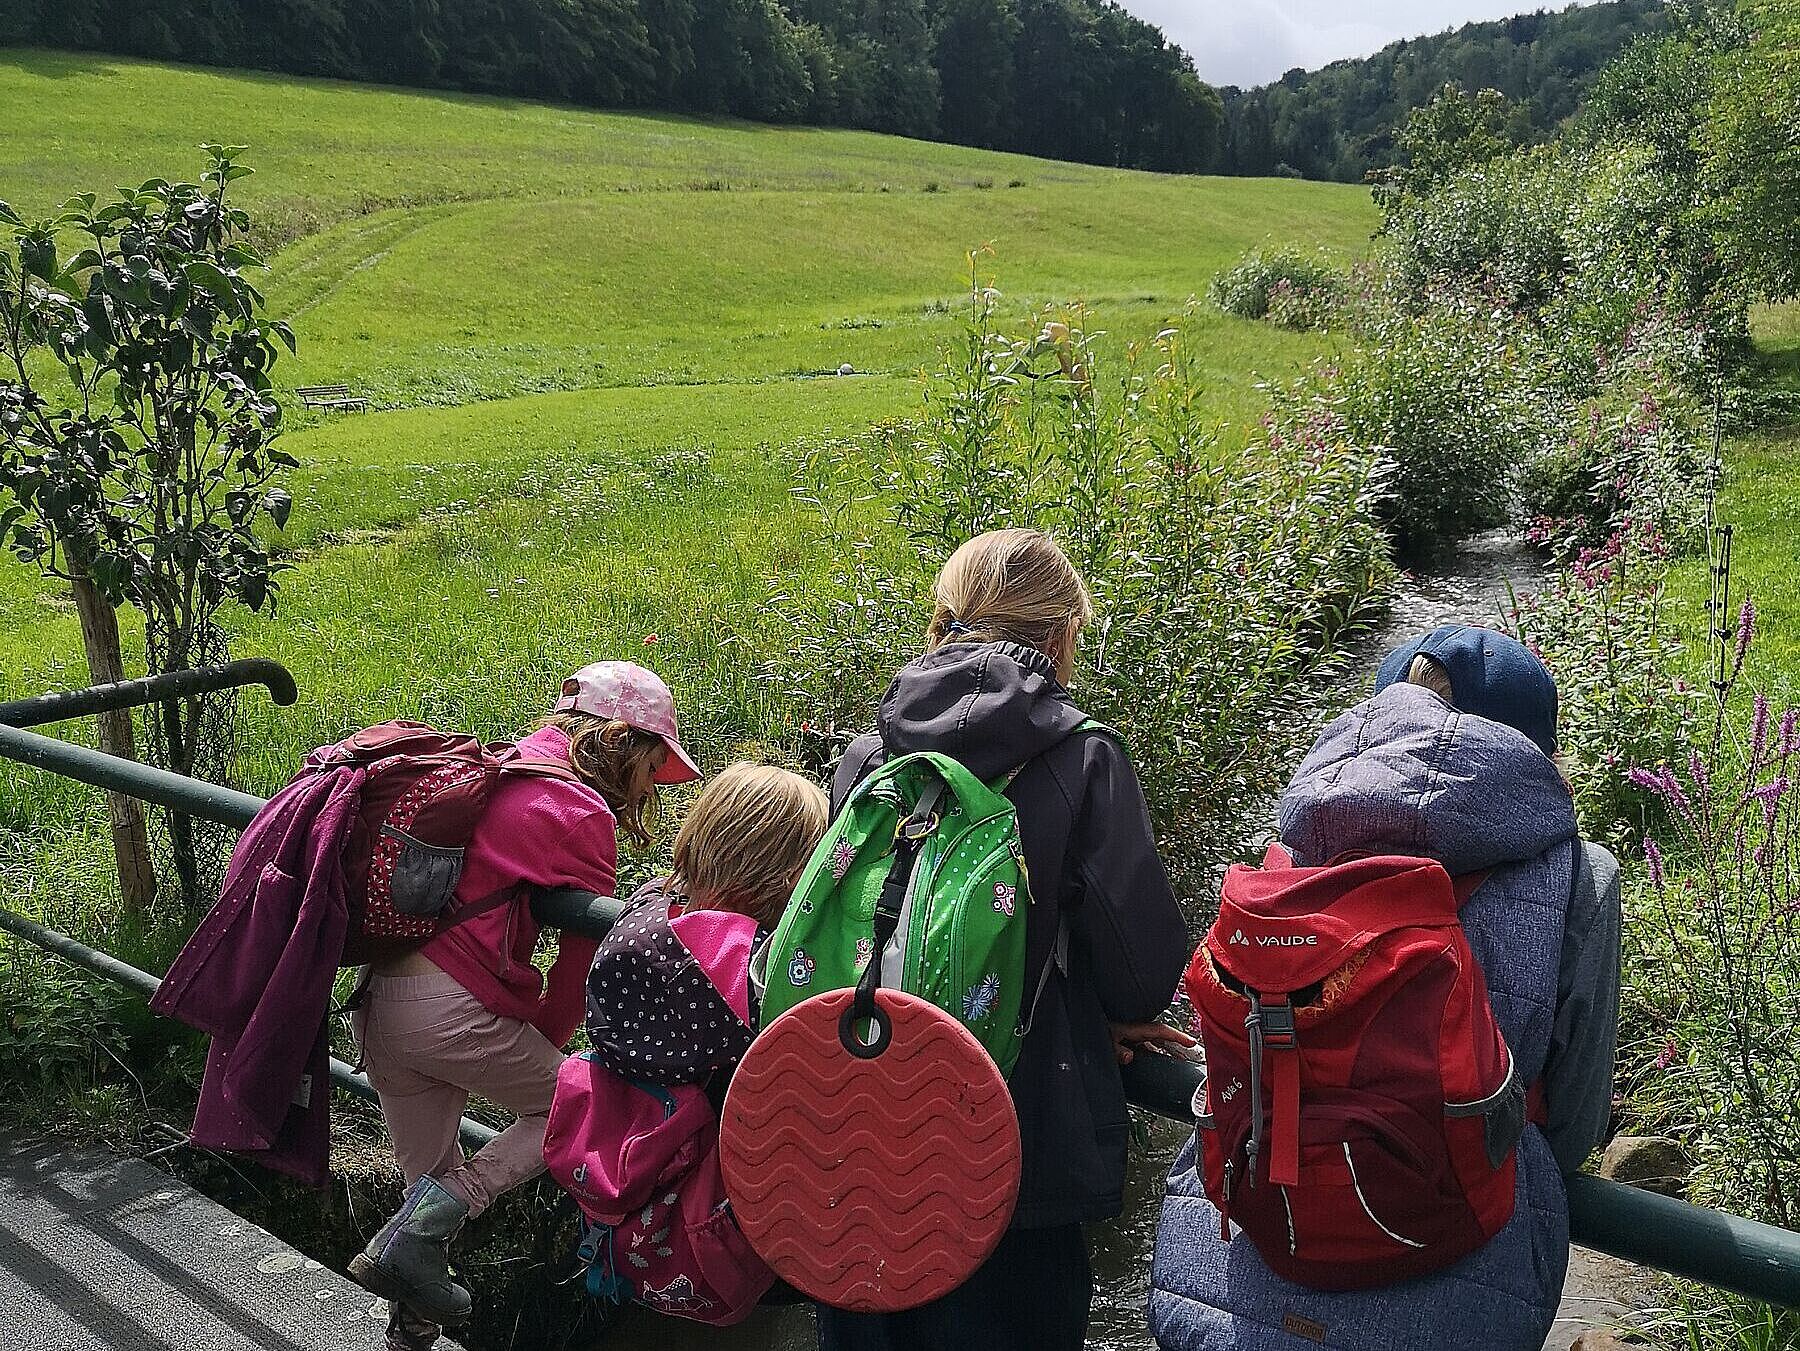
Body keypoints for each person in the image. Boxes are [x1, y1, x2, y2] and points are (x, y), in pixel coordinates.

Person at [1149, 624, 1622, 1351]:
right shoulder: (1581, 876)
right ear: (1538, 752)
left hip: (1241, 1285)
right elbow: (1575, 1124)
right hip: (1462, 1288)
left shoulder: (1293, 846)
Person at [817, 527, 1191, 1351]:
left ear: (944, 617)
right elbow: (1141, 976)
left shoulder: (865, 757)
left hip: (861, 1118)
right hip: (1017, 1137)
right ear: (1059, 637)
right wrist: (1101, 1011)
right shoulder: (1085, 757)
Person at [349, 661, 701, 1351]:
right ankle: (444, 1214)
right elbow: (575, 982)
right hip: (447, 1013)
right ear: (623, 741)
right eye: (652, 765)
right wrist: (531, 1051)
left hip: (378, 1005)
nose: (649, 786)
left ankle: (408, 1337)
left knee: (420, 1207)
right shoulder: (578, 812)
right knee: (586, 1102)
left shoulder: (507, 767)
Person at [585, 761, 830, 1090]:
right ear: (792, 875)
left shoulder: (648, 905)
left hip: (610, 1116)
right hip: (714, 1133)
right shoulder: (761, 965)